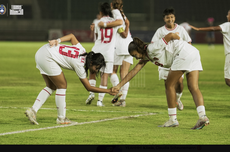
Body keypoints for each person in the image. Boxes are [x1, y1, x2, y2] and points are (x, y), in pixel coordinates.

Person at [112, 33, 210, 129]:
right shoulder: (147, 55)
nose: (136, 57)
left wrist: (179, 41)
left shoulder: (152, 48)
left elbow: (171, 35)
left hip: (183, 53)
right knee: (193, 87)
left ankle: (172, 119)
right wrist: (119, 85)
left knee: (169, 85)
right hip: (193, 52)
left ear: (139, 49)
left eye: (135, 55)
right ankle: (203, 117)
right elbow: (134, 71)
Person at [24, 33, 118, 125]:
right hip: (47, 56)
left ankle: (33, 110)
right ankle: (61, 118)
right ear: (91, 62)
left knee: (51, 86)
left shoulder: (82, 50)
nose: (96, 71)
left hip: (42, 52)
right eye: (96, 68)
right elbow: (89, 87)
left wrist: (58, 40)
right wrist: (108, 91)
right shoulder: (80, 65)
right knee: (62, 86)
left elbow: (72, 36)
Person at [151, 7, 192, 110]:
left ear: (175, 17)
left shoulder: (180, 29)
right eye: (167, 17)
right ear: (164, 19)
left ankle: (177, 99)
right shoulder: (160, 31)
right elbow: (154, 44)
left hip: (178, 60)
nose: (170, 19)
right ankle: (172, 106)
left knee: (179, 83)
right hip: (164, 61)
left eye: (172, 17)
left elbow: (188, 42)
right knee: (168, 84)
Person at [96, 0, 133, 107]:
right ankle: (122, 100)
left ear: (112, 5)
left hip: (119, 46)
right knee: (124, 74)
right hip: (129, 45)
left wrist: (104, 24)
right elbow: (126, 26)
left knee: (112, 71)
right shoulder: (123, 14)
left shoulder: (114, 13)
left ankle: (118, 93)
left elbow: (121, 31)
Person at [85, 2, 123, 107]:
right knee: (104, 76)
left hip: (97, 50)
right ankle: (99, 101)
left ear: (101, 12)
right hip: (108, 52)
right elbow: (120, 23)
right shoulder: (114, 22)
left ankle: (91, 93)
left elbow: (97, 36)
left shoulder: (98, 22)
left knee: (92, 72)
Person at [190, 10, 230, 87]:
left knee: (228, 80)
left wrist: (198, 29)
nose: (227, 16)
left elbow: (214, 28)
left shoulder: (228, 25)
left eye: (228, 15)